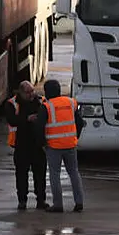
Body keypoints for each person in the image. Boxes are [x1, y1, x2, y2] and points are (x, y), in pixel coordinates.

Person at [37, 79, 86, 213]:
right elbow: (80, 123)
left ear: (47, 92)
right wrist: (75, 137)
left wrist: (42, 144)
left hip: (53, 146)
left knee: (55, 175)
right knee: (74, 172)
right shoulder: (70, 102)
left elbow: (39, 127)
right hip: (70, 144)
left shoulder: (46, 106)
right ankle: (79, 202)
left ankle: (58, 204)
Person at [5, 81, 49, 211]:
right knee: (21, 175)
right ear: (21, 92)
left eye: (33, 91)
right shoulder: (11, 104)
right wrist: (27, 119)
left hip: (38, 144)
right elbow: (12, 120)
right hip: (21, 144)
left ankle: (41, 200)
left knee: (40, 175)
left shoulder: (41, 101)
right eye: (28, 92)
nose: (31, 94)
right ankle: (22, 201)